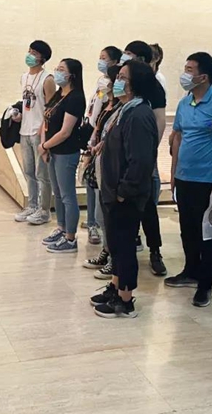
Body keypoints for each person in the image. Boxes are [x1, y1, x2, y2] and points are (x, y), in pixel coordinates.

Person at [165, 52, 212, 307]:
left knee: (207, 233)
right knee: (187, 229)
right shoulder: (185, 103)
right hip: (184, 177)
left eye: (190, 70)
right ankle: (190, 271)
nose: (185, 74)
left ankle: (205, 285)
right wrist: (174, 173)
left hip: (208, 179)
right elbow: (177, 137)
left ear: (204, 76)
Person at [89, 60, 159, 318]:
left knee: (125, 245)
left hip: (125, 196)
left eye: (122, 77)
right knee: (117, 245)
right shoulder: (124, 109)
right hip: (112, 191)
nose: (116, 81)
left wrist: (123, 191)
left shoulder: (139, 115)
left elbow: (140, 160)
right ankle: (116, 286)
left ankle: (125, 300)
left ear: (134, 83)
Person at [121, 41, 167, 276]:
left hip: (143, 155)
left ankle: (155, 251)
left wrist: (149, 151)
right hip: (123, 154)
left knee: (147, 206)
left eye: (129, 55)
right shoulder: (124, 86)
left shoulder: (153, 87)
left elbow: (159, 121)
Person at [40, 59, 87, 253]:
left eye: (61, 70)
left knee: (68, 196)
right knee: (57, 193)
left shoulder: (75, 98)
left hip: (66, 152)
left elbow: (65, 132)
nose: (57, 73)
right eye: (57, 69)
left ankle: (70, 238)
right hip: (52, 151)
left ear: (71, 75)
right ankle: (61, 228)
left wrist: (45, 145)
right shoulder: (59, 95)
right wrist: (45, 146)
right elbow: (46, 119)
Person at [83, 65, 122, 276]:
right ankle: (106, 251)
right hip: (99, 163)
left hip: (111, 167)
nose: (106, 83)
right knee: (101, 215)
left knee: (109, 217)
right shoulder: (108, 104)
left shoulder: (124, 109)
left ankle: (114, 258)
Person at [14, 41, 56, 225]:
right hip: (25, 130)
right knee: (29, 172)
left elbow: (51, 108)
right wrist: (19, 116)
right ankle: (32, 205)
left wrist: (44, 130)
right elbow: (27, 103)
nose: (30, 55)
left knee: (42, 174)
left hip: (40, 131)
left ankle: (44, 210)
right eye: (29, 51)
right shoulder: (24, 77)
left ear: (42, 57)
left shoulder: (48, 79)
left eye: (34, 52)